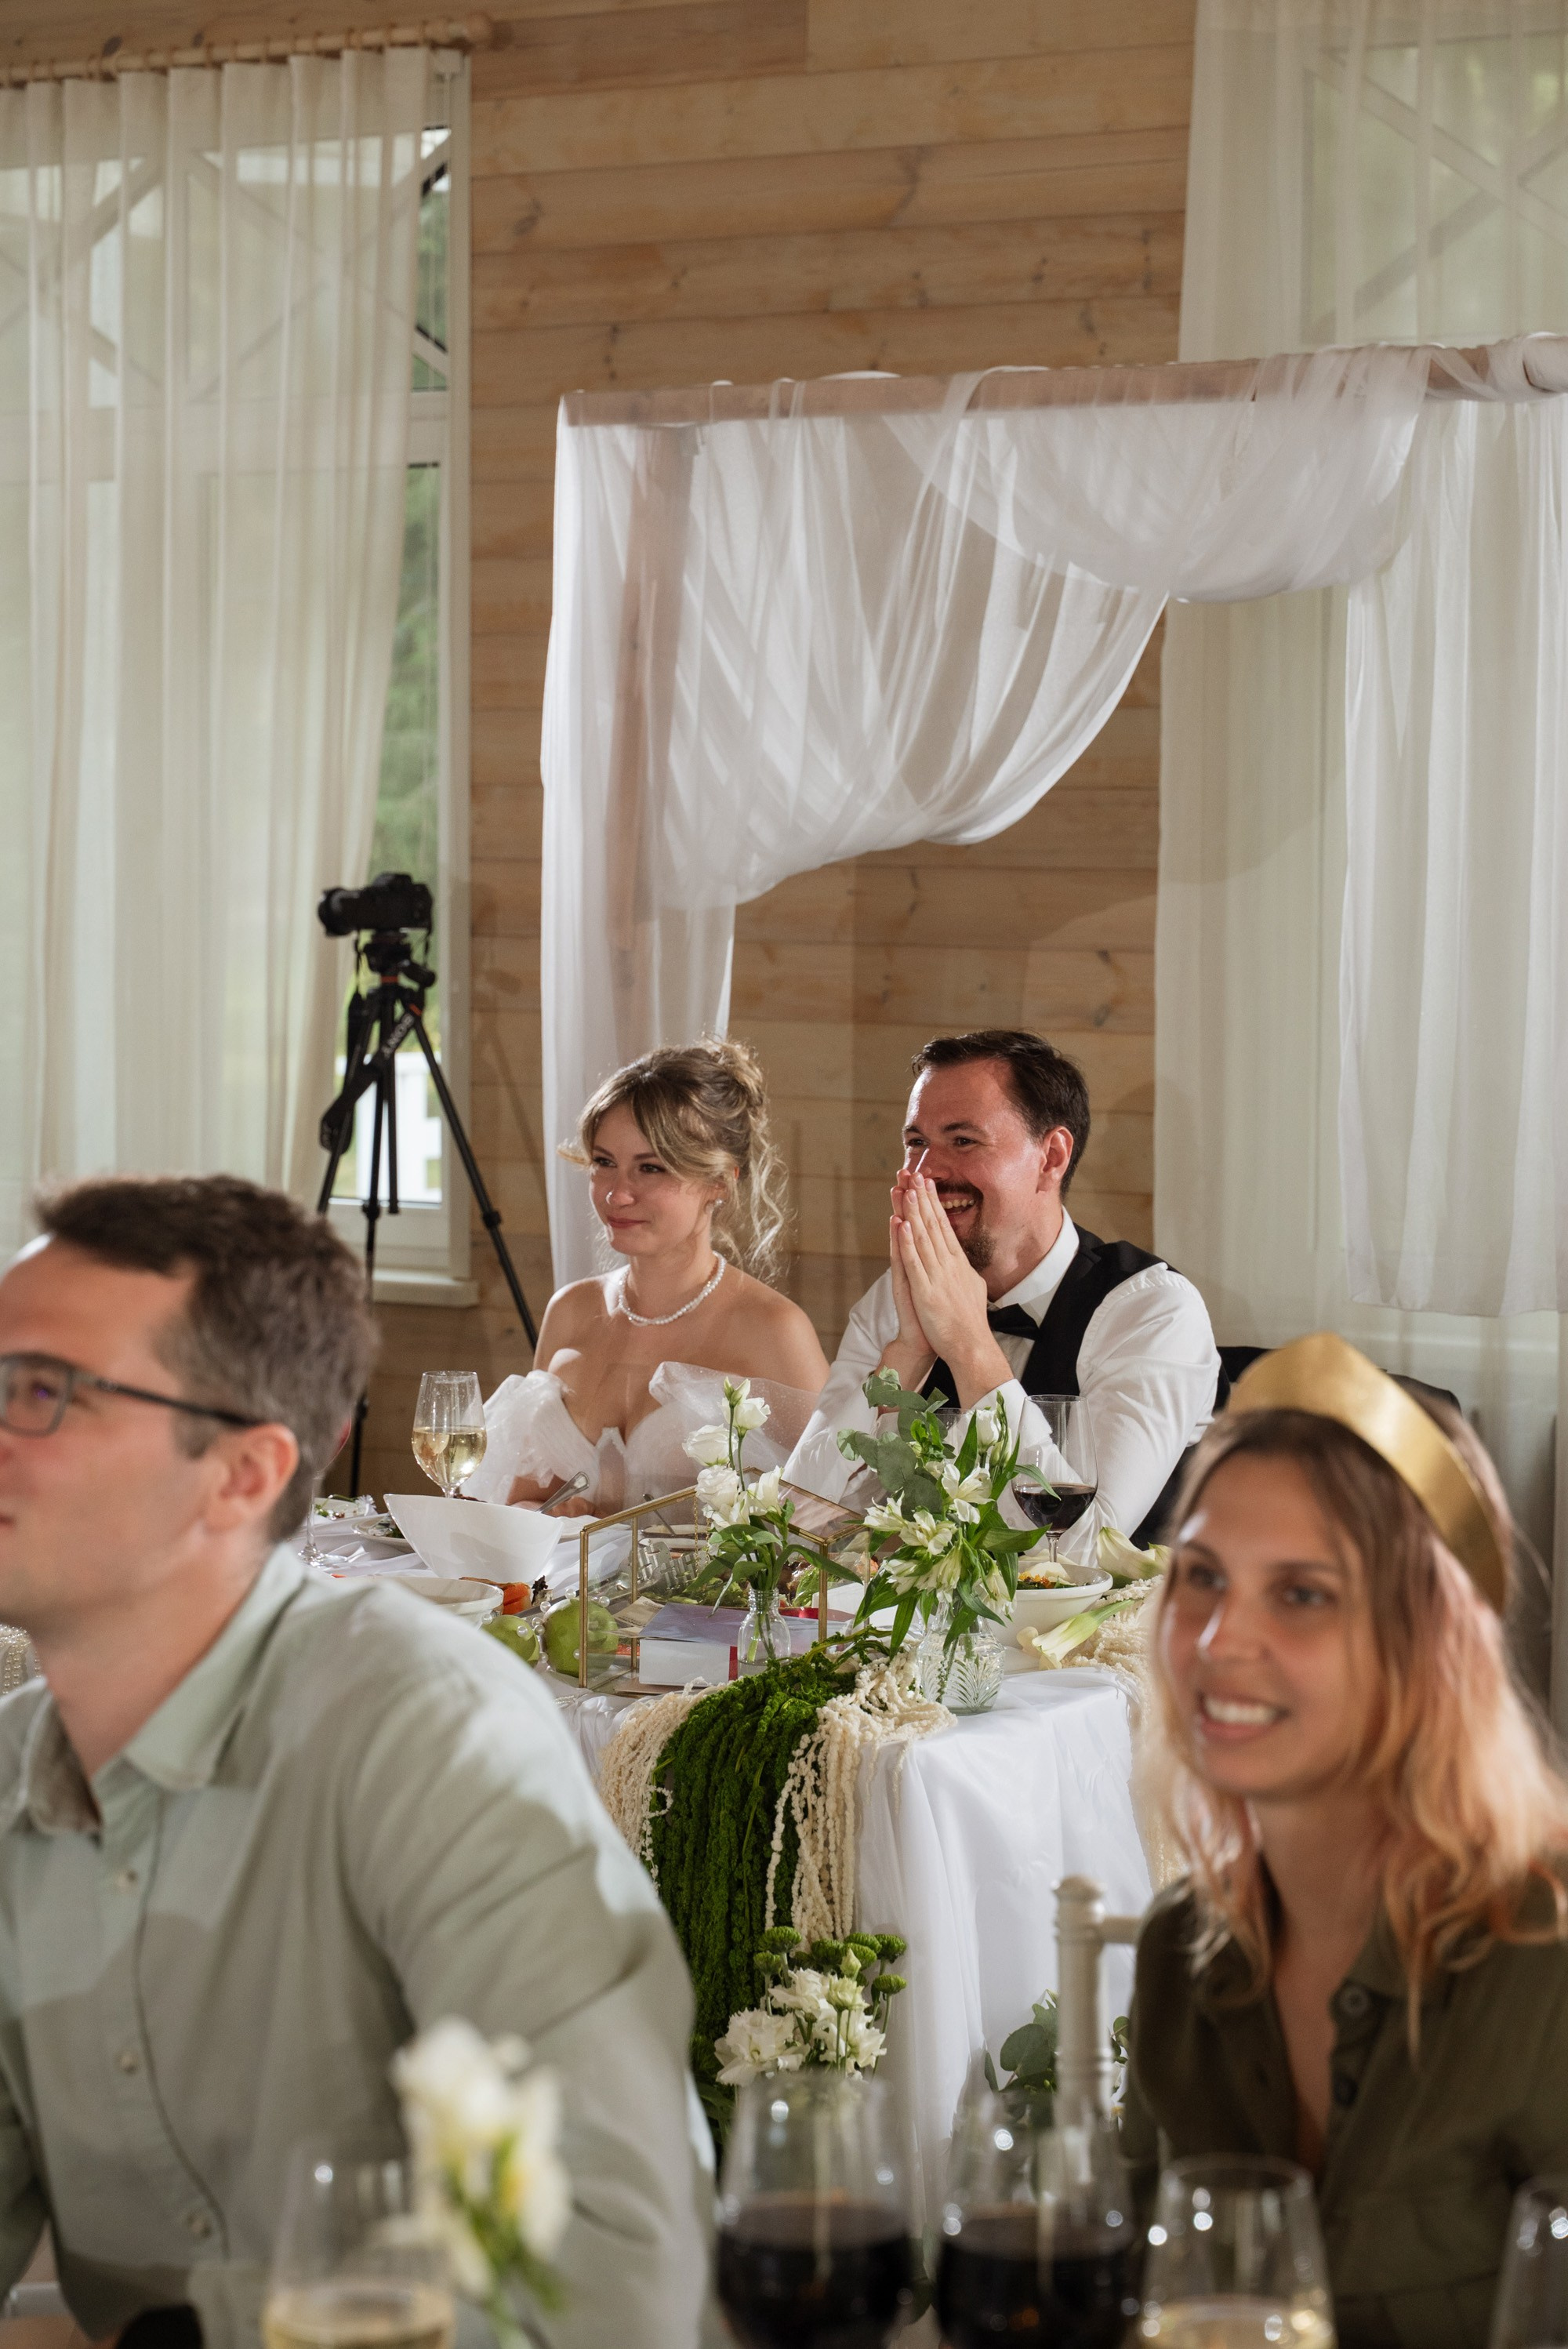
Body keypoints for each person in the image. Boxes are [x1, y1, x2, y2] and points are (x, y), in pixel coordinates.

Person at [0, 1174, 713, 2349]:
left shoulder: (429, 1735)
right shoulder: (15, 1783)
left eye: (41, 1391)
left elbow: (619, 2267)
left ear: (241, 1474)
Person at [1123, 1332, 1568, 2349]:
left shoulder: (1546, 1964)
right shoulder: (1176, 1966)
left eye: (1302, 1594)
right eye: (1201, 1575)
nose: (1217, 1639)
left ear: (1427, 1644)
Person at [786, 1029, 1220, 1563]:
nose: (926, 1173)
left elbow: (1084, 1553)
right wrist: (909, 1353)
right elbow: (800, 1523)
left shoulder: (1151, 1311)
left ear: (1051, 1157)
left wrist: (970, 1348)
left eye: (963, 1141)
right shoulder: (897, 1297)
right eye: (916, 1143)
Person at [470, 1040, 829, 1516]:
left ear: (718, 1182)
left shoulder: (774, 1330)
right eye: (603, 1163)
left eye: (650, 1168)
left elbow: (828, 1526)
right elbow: (526, 1500)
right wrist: (557, 1513)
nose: (617, 1194)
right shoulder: (570, 1310)